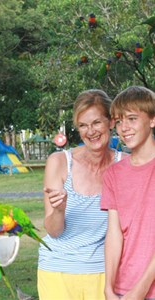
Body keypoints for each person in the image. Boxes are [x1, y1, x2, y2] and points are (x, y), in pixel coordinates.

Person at [37, 89, 124, 300]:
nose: (90, 132)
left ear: (111, 122)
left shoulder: (124, 165)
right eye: (83, 126)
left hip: (104, 274)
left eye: (96, 123)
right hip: (57, 270)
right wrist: (59, 209)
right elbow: (54, 231)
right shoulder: (59, 162)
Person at [101, 86, 155, 299]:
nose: (124, 128)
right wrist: (108, 287)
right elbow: (114, 233)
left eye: (132, 119)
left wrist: (141, 288)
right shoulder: (113, 174)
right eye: (119, 121)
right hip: (123, 288)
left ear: (152, 120)